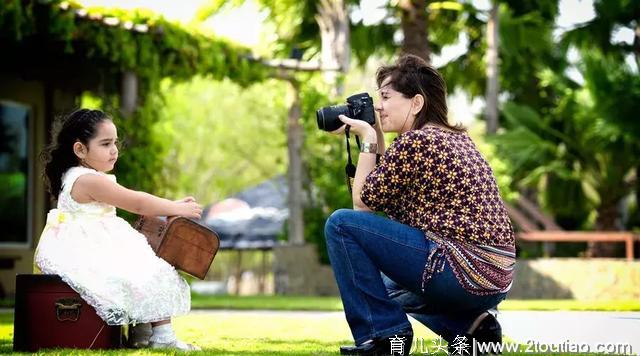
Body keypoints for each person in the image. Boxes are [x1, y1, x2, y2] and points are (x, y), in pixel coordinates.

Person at [324, 54, 515, 355]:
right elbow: (384, 187)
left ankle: (385, 336)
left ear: (416, 103)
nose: (379, 106)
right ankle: (472, 328)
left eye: (385, 97)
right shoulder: (452, 139)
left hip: (459, 268)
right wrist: (373, 133)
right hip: (494, 275)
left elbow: (362, 204)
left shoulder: (417, 142)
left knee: (340, 224)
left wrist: (368, 138)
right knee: (383, 286)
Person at [35, 109, 203, 351]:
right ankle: (162, 336)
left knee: (141, 266)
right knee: (149, 269)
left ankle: (143, 333)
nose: (114, 149)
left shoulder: (81, 176)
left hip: (88, 241)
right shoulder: (88, 180)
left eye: (115, 142)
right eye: (105, 144)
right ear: (80, 150)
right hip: (84, 247)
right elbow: (136, 202)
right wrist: (175, 207)